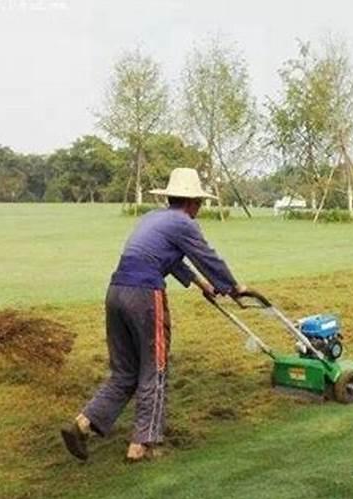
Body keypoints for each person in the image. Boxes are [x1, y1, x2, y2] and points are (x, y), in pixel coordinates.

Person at [60, 168, 245, 462]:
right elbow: (207, 257)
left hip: (116, 291)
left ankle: (83, 423)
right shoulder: (184, 223)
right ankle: (141, 445)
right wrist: (233, 287)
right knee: (154, 368)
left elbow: (173, 263)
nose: (199, 207)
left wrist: (204, 286)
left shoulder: (153, 219)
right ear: (192, 202)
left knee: (124, 372)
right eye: (199, 202)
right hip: (144, 295)